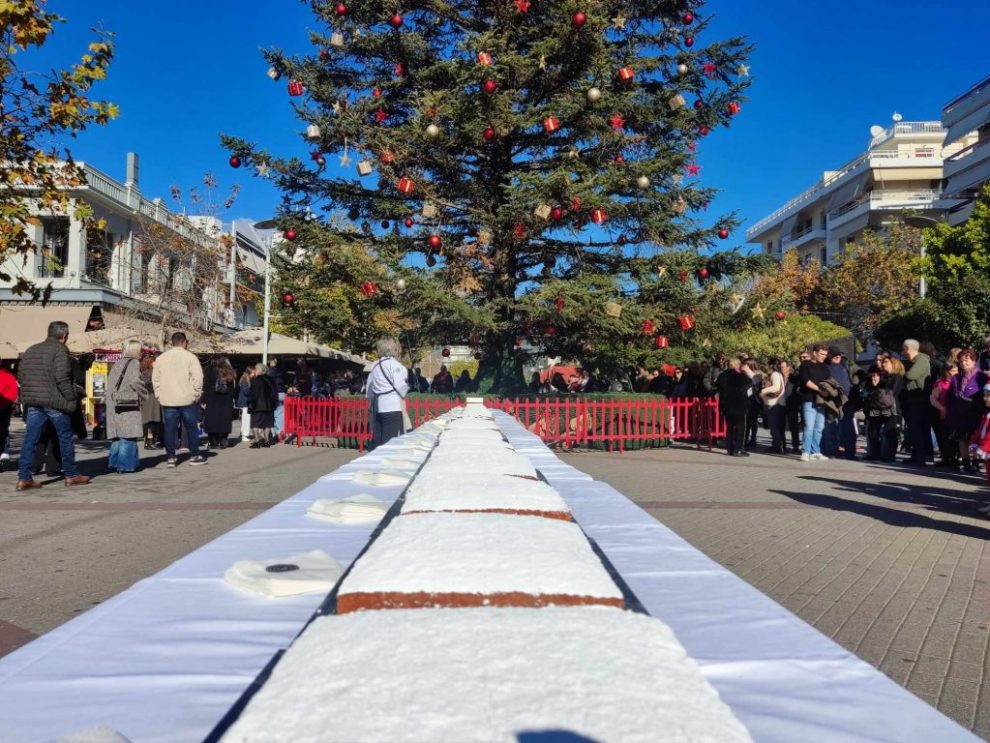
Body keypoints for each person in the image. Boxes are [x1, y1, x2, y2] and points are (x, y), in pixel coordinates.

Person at [15, 321, 90, 490]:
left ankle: (24, 477)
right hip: (55, 402)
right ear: (64, 336)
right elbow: (62, 377)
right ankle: (71, 474)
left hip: (34, 401)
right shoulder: (60, 350)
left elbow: (21, 375)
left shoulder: (31, 349)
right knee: (64, 437)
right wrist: (71, 398)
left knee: (30, 439)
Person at [152, 332, 206, 468]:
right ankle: (194, 455)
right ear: (185, 342)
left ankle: (171, 457)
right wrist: (196, 394)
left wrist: (159, 395)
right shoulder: (191, 358)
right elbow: (198, 378)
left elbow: (155, 379)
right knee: (191, 428)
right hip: (187, 399)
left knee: (169, 429)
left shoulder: (161, 358)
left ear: (172, 342)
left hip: (168, 400)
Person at [106, 339, 149, 474]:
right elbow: (136, 381)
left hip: (114, 402)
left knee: (118, 435)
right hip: (127, 403)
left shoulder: (118, 363)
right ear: (136, 351)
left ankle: (113, 463)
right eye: (141, 350)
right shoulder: (133, 363)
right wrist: (145, 394)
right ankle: (125, 465)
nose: (142, 353)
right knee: (128, 434)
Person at [945, 349, 988, 473]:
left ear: (974, 361)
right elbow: (950, 396)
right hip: (959, 413)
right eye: (961, 360)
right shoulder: (956, 378)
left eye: (966, 360)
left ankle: (975, 462)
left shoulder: (981, 377)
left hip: (976, 413)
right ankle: (965, 463)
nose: (963, 363)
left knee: (974, 439)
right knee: (962, 439)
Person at [366, 336, 410, 448]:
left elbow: (369, 390)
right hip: (392, 406)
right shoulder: (395, 365)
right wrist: (407, 387)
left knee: (378, 439)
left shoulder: (374, 365)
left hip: (377, 406)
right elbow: (401, 389)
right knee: (390, 441)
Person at [901, 339, 932, 466]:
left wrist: (901, 372)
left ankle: (920, 457)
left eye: (903, 349)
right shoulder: (912, 361)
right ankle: (916, 455)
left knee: (918, 429)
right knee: (914, 429)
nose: (902, 352)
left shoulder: (921, 360)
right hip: (913, 399)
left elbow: (910, 375)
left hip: (920, 400)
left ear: (908, 348)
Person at [715, 357, 755, 457]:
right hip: (739, 405)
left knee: (729, 427)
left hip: (726, 405)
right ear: (738, 365)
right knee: (741, 428)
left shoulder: (722, 376)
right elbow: (750, 384)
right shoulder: (741, 376)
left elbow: (716, 386)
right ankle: (739, 449)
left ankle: (729, 449)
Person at [797, 344, 830, 461]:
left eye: (825, 355)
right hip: (809, 399)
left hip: (821, 401)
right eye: (821, 354)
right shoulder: (805, 365)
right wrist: (819, 389)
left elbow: (829, 381)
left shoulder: (825, 367)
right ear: (814, 353)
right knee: (809, 427)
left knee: (819, 427)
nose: (823, 357)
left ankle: (815, 451)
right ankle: (805, 451)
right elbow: (805, 381)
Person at [821, 348, 852, 458]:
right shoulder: (826, 367)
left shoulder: (842, 367)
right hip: (830, 402)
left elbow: (847, 382)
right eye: (835, 356)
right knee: (830, 426)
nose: (838, 358)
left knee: (838, 427)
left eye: (839, 356)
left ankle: (835, 448)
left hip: (842, 402)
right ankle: (830, 450)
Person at [863, 364, 897, 461]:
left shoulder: (886, 381)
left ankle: (888, 455)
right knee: (873, 431)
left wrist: (877, 385)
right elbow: (867, 394)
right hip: (874, 409)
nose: (874, 377)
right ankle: (875, 454)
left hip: (886, 409)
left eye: (876, 375)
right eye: (872, 375)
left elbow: (888, 394)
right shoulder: (869, 382)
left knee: (888, 431)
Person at [202, 356, 236, 448]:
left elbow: (206, 386)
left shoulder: (209, 370)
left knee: (212, 419)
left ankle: (212, 441)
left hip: (212, 398)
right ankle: (223, 440)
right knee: (224, 419)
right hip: (226, 399)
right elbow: (232, 388)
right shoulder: (230, 371)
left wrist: (203, 399)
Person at [930, 362, 959, 467]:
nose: (956, 373)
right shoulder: (940, 383)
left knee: (954, 438)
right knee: (944, 438)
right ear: (946, 371)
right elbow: (933, 398)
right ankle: (946, 459)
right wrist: (942, 408)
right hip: (945, 415)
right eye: (953, 371)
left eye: (957, 370)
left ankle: (954, 458)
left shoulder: (958, 381)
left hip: (956, 414)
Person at [967, 383, 990, 515]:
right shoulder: (986, 414)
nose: (985, 398)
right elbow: (979, 431)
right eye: (984, 395)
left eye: (988, 396)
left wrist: (982, 449)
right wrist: (974, 443)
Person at [761, 359, 790, 454]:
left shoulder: (775, 374)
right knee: (779, 427)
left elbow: (776, 388)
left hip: (774, 404)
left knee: (774, 427)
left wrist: (763, 391)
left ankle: (777, 447)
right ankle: (781, 446)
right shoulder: (779, 374)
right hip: (780, 404)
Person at [248, 363, 278, 447]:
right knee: (267, 424)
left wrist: (250, 404)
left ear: (259, 370)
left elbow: (252, 394)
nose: (255, 370)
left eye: (256, 369)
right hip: (269, 405)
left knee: (255, 424)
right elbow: (275, 393)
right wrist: (274, 403)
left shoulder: (255, 380)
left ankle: (257, 442)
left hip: (257, 405)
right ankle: (267, 441)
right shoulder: (271, 380)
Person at [139, 354, 162, 450]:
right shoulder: (153, 373)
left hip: (145, 400)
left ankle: (148, 440)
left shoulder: (142, 373)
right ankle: (151, 440)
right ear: (150, 363)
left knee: (147, 421)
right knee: (152, 421)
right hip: (153, 400)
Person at [0, 360, 18, 470]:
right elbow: (13, 393)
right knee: (3, 431)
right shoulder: (7, 375)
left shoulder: (7, 375)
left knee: (3, 431)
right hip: (4, 407)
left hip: (3, 407)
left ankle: (4, 452)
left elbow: (13, 393)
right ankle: (3, 453)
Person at [268, 357, 286, 440]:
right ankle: (280, 431)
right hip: (282, 393)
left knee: (273, 414)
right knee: (280, 414)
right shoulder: (281, 370)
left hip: (274, 394)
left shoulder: (270, 372)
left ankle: (276, 432)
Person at [237, 369, 252, 442]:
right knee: (246, 419)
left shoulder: (243, 380)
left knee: (245, 419)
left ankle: (243, 434)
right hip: (245, 403)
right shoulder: (245, 381)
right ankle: (244, 435)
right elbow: (246, 392)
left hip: (244, 402)